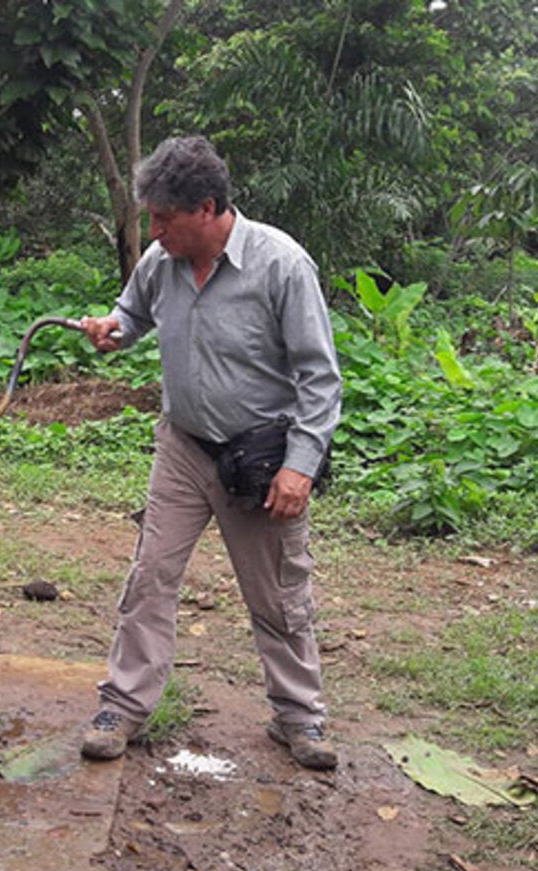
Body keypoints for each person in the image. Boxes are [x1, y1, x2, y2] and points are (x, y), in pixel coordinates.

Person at [77, 136, 342, 769]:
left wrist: (299, 466)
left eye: (165, 218)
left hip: (259, 459)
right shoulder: (161, 261)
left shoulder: (281, 265)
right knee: (150, 578)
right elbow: (134, 312)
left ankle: (299, 717)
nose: (155, 230)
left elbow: (319, 377)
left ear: (208, 207)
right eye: (151, 218)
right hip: (182, 448)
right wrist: (115, 328)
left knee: (278, 593)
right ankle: (124, 706)